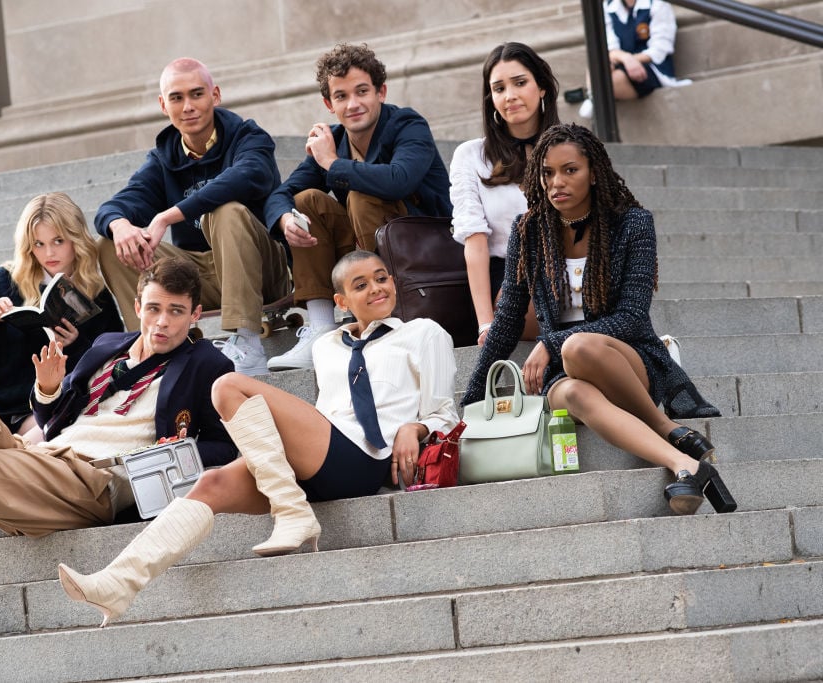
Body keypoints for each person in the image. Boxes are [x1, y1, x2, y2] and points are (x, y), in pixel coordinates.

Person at [56, 250, 459, 627]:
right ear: (340, 301)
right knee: (210, 483)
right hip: (321, 453)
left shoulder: (424, 333)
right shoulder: (326, 347)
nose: (375, 288)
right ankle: (117, 586)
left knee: (228, 386)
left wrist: (416, 427)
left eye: (381, 278)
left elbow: (445, 411)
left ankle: (293, 513)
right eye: (360, 285)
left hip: (367, 458)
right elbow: (325, 412)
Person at [0, 257, 237, 648]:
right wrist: (47, 389)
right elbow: (56, 416)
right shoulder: (109, 345)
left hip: (94, 479)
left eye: (176, 311)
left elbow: (226, 443)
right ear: (137, 307)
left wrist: (181, 446)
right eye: (154, 308)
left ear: (195, 313)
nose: (162, 321)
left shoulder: (208, 364)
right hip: (46, 457)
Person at [463, 123, 735, 516]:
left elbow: (631, 317)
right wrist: (470, 401)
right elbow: (506, 321)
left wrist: (551, 342)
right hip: (564, 373)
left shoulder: (632, 224)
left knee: (578, 345)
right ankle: (685, 462)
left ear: (593, 172)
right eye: (547, 173)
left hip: (625, 360)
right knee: (572, 393)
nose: (557, 182)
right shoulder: (530, 231)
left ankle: (662, 424)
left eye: (569, 170)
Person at [94, 57, 290, 376]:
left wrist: (167, 217)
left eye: (197, 94)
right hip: (198, 274)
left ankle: (249, 344)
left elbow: (248, 175)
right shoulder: (163, 159)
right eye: (176, 97)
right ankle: (150, 348)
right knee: (109, 244)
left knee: (226, 211)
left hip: (260, 269)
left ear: (215, 95)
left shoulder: (248, 137)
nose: (188, 106)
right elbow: (115, 206)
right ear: (163, 104)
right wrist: (119, 225)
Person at [263, 43, 453, 371]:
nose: (353, 104)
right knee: (305, 203)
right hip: (367, 251)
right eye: (341, 96)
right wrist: (283, 218)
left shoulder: (408, 125)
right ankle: (322, 329)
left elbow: (400, 180)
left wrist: (331, 163)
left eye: (362, 91)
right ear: (329, 103)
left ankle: (386, 315)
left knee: (361, 195)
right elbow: (283, 193)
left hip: (426, 253)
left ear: (381, 91)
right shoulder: (334, 142)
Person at [0, 192, 123, 440]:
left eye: (58, 241)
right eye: (39, 244)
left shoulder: (95, 295)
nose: (49, 253)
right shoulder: (1, 281)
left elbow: (113, 365)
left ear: (75, 239)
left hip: (38, 406)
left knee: (53, 431)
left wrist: (75, 346)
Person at [450, 42, 559, 346]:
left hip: (571, 270)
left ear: (542, 88)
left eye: (520, 83)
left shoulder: (572, 148)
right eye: (499, 88)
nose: (509, 95)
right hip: (510, 279)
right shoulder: (471, 156)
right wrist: (486, 323)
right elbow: (474, 240)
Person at [580, 0, 690, 116]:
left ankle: (594, 97)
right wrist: (627, 59)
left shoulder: (657, 4)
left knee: (615, 79)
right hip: (620, 62)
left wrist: (632, 61)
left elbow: (659, 50)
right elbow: (610, 48)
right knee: (597, 63)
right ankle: (594, 96)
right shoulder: (608, 7)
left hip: (653, 68)